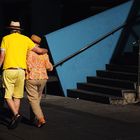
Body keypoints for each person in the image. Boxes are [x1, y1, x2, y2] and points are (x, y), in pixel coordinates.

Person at [0, 21, 48, 129]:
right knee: (17, 96)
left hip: (9, 70)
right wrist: (46, 50)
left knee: (7, 96)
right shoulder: (26, 39)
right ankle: (13, 118)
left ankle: (16, 115)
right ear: (19, 30)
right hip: (21, 72)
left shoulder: (5, 39)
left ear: (10, 29)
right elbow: (39, 51)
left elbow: (2, 56)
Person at [25, 34, 53, 128]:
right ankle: (32, 119)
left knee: (33, 100)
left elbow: (25, 65)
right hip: (43, 78)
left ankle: (41, 118)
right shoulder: (44, 53)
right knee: (36, 100)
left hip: (31, 77)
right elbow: (49, 67)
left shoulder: (27, 52)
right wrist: (51, 67)